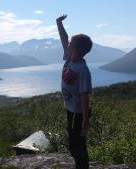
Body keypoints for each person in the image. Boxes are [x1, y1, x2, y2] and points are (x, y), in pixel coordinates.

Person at [56, 14, 93, 169]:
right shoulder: (70, 59)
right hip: (70, 109)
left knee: (77, 144)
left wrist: (85, 120)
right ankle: (80, 164)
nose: (67, 45)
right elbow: (64, 39)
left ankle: (82, 166)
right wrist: (59, 24)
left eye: (71, 44)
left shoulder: (82, 69)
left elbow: (85, 96)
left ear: (76, 50)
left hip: (78, 113)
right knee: (74, 141)